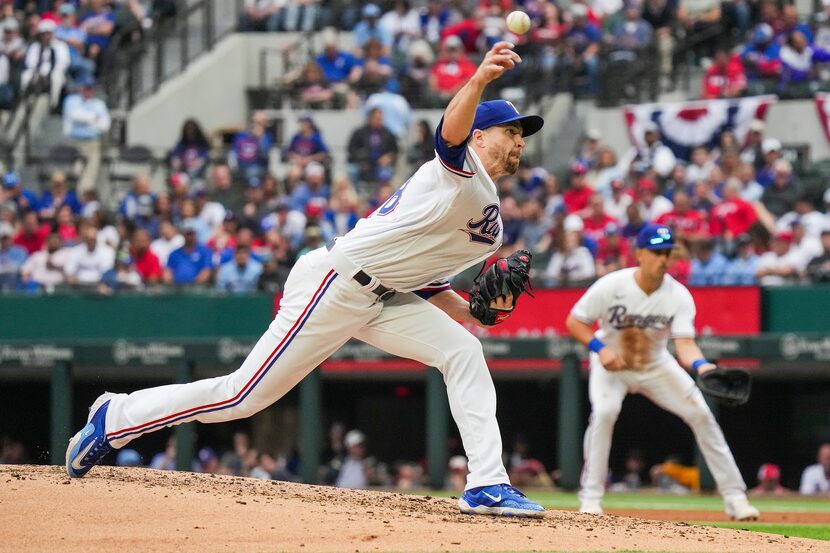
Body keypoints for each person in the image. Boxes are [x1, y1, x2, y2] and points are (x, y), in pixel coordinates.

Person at [65, 41, 545, 518]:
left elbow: (425, 281)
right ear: (480, 137)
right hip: (334, 283)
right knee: (242, 396)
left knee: (464, 350)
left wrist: (477, 312)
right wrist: (479, 79)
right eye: (510, 129)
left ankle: (487, 484)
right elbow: (449, 132)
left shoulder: (491, 230)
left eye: (524, 133)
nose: (520, 139)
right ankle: (117, 417)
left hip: (384, 296)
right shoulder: (458, 171)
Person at [565, 223, 760, 520]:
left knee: (702, 415)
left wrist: (703, 366)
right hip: (613, 363)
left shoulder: (678, 295)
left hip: (655, 364)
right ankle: (591, 498)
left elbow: (685, 345)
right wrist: (599, 349)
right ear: (640, 254)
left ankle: (735, 498)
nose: (663, 259)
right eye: (657, 252)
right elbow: (575, 321)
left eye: (667, 253)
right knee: (604, 413)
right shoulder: (612, 285)